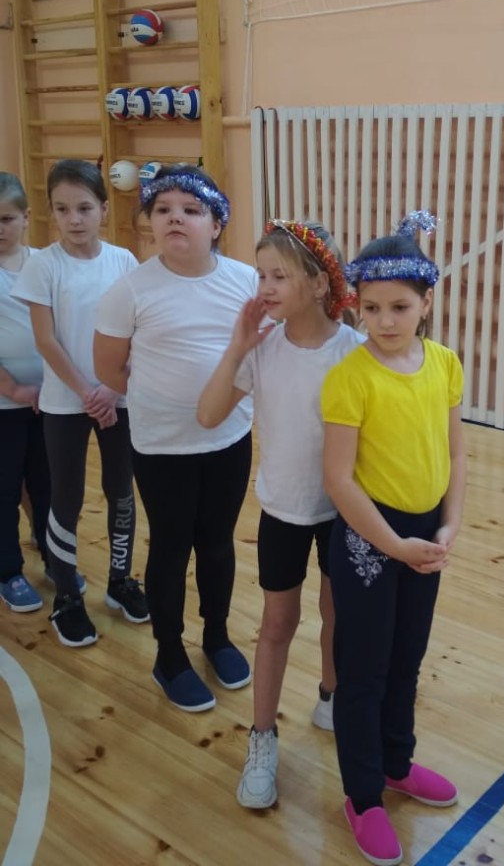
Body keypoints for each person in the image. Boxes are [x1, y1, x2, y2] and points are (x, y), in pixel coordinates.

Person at [197, 219, 362, 810]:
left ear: (318, 284)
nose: (264, 287)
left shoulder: (355, 351)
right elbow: (209, 414)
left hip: (344, 512)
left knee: (337, 612)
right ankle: (262, 737)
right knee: (276, 625)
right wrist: (238, 345)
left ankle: (331, 695)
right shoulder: (262, 349)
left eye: (279, 276)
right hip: (284, 511)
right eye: (260, 274)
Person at [321, 211, 466, 866]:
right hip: (368, 537)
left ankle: (396, 764)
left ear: (426, 302)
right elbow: (339, 479)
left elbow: (455, 453)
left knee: (407, 656)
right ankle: (362, 795)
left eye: (399, 307)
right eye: (371, 308)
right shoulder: (351, 377)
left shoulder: (445, 364)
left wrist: (449, 523)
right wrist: (393, 544)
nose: (383, 321)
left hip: (424, 534)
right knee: (364, 668)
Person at [94, 163, 258, 713]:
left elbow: (260, 353)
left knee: (217, 543)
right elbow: (110, 368)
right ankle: (169, 655)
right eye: (163, 210)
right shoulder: (131, 289)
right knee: (170, 545)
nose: (175, 219)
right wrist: (165, 402)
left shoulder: (245, 281)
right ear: (150, 222)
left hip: (230, 440)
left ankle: (217, 636)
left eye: (191, 210)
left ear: (217, 224)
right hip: (163, 447)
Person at [11, 159, 147, 646]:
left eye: (84, 208)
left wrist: (111, 388)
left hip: (118, 398)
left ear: (104, 210)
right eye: (62, 209)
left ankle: (120, 582)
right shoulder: (43, 266)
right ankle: (67, 596)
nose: (74, 219)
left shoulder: (124, 262)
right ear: (50, 212)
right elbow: (46, 340)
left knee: (121, 491)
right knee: (64, 496)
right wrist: (88, 391)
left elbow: (135, 332)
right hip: (66, 403)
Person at [0, 172, 49, 613]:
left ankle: (54, 555)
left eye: (6, 219)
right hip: (6, 403)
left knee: (45, 482)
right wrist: (13, 388)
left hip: (45, 401)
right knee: (5, 488)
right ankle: (9, 572)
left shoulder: (41, 264)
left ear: (26, 218)